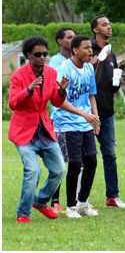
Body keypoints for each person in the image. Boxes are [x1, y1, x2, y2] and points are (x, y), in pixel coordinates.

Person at [9, 36, 69, 223]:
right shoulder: (18, 76)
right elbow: (12, 103)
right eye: (38, 54)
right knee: (33, 171)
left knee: (59, 169)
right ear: (28, 55)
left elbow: (55, 101)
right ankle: (23, 212)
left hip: (44, 131)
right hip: (24, 133)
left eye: (45, 53)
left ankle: (41, 201)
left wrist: (61, 91)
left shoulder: (51, 73)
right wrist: (28, 90)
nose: (42, 57)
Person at [53, 35, 107, 218]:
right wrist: (85, 115)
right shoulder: (64, 70)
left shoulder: (90, 69)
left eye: (91, 48)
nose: (90, 51)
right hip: (67, 124)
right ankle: (70, 207)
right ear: (75, 50)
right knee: (75, 164)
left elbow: (91, 95)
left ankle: (83, 203)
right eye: (86, 48)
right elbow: (59, 102)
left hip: (85, 123)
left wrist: (95, 118)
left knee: (91, 161)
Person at [89, 15, 125, 209]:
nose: (109, 27)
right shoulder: (87, 50)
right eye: (104, 24)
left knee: (110, 155)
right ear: (95, 30)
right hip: (87, 113)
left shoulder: (111, 52)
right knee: (84, 157)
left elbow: (109, 86)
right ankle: (82, 200)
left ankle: (112, 196)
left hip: (107, 111)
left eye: (110, 23)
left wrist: (117, 84)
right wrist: (94, 63)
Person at [47, 27, 75, 214]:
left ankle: (78, 200)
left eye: (74, 37)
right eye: (68, 37)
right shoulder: (55, 62)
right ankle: (54, 201)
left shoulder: (78, 62)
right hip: (60, 118)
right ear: (60, 41)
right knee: (60, 160)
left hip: (77, 118)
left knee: (79, 160)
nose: (72, 40)